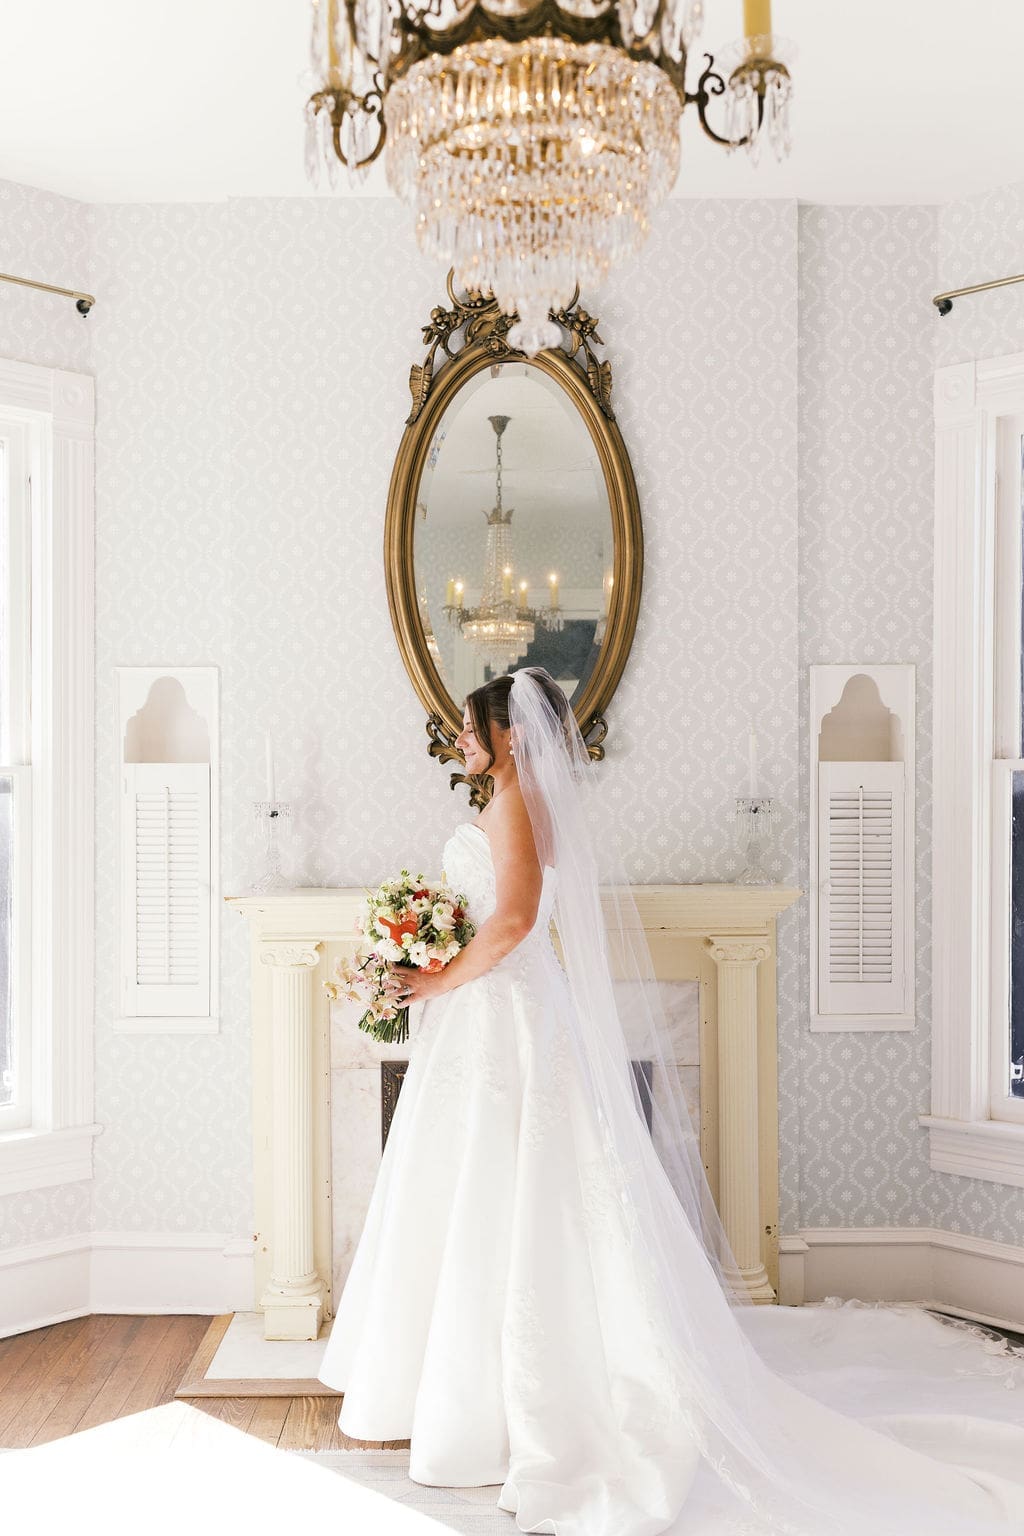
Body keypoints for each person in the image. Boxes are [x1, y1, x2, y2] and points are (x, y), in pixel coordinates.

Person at [317, 666, 1024, 1535]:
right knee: (485, 1192)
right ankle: (470, 1391)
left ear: (509, 736)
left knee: (514, 1192)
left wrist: (431, 976)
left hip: (504, 1012)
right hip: (495, 1014)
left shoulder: (514, 807)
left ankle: (512, 1409)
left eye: (471, 727)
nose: (460, 740)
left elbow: (509, 923)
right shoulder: (521, 804)